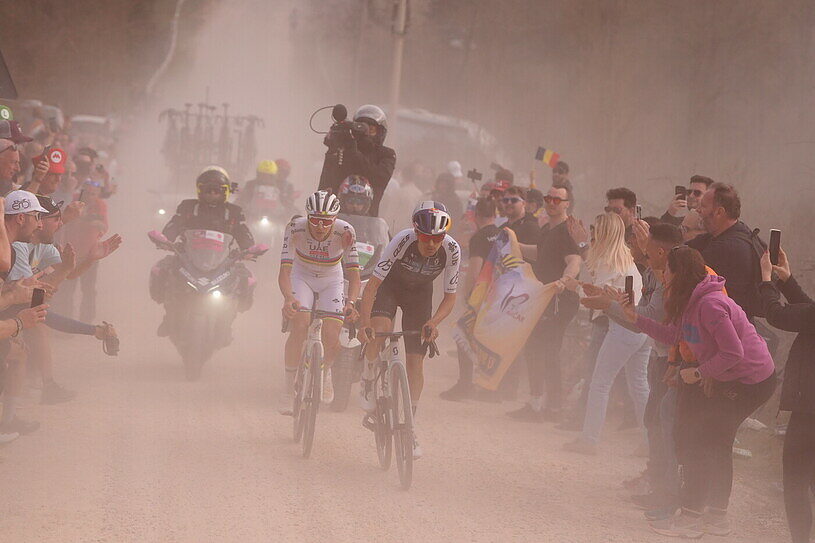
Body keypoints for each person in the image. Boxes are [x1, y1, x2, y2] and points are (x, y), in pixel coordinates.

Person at [623, 246, 775, 538]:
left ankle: (695, 518)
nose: (663, 275)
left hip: (751, 379)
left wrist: (700, 372)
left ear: (679, 272)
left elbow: (734, 352)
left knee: (707, 440)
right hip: (730, 375)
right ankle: (713, 517)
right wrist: (635, 319)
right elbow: (674, 335)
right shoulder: (690, 301)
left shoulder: (709, 304)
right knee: (711, 440)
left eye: (667, 269)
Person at [358, 201, 460, 458]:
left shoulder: (452, 249)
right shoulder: (402, 240)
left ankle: (409, 428)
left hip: (419, 295)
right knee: (379, 331)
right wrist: (364, 324)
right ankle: (368, 378)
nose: (432, 244)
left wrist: (433, 323)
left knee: (416, 363)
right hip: (390, 289)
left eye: (437, 238)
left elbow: (450, 297)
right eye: (426, 238)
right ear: (416, 232)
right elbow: (372, 286)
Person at [561, 212, 650, 454]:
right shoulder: (622, 258)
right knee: (639, 385)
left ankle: (589, 440)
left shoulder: (611, 262)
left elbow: (596, 298)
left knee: (600, 382)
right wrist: (581, 243)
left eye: (595, 231)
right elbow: (594, 270)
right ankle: (650, 442)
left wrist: (575, 287)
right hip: (640, 328)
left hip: (623, 329)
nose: (593, 235)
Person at [278, 191, 360, 411]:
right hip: (301, 275)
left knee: (333, 335)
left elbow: (354, 276)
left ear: (335, 219)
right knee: (300, 325)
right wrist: (288, 298)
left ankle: (326, 372)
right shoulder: (295, 228)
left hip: (331, 279)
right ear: (307, 216)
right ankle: (288, 389)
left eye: (326, 221)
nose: (320, 226)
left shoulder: (346, 231)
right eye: (314, 220)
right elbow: (284, 271)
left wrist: (351, 302)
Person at [506, 181, 581, 421]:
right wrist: (514, 245)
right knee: (538, 348)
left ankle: (550, 407)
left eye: (557, 200)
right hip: (544, 298)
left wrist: (564, 280)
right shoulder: (548, 228)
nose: (551, 203)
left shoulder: (568, 229)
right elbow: (540, 253)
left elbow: (574, 260)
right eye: (548, 199)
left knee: (547, 350)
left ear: (567, 204)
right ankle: (541, 404)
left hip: (559, 299)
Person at [152, 166, 255, 334]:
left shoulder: (234, 212)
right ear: (199, 190)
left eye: (217, 191)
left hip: (222, 263)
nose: (212, 194)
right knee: (160, 269)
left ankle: (228, 321)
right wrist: (165, 240)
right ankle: (169, 317)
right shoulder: (187, 207)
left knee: (247, 278)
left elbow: (244, 233)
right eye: (208, 190)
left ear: (226, 191)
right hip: (187, 259)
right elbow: (174, 225)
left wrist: (250, 249)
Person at [758, 248, 815, 543]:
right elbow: (808, 313)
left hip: (809, 413)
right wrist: (787, 280)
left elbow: (777, 315)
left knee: (795, 479)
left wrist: (766, 280)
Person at [440, 198, 499, 401]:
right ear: (495, 214)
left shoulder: (479, 238)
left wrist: (468, 298)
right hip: (500, 295)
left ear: (475, 215)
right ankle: (492, 389)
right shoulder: (503, 235)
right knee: (491, 342)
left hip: (481, 297)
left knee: (462, 336)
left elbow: (475, 271)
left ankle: (465, 385)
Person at [687, 182, 764, 319]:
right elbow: (681, 249)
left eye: (703, 206)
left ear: (719, 212)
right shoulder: (735, 231)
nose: (697, 210)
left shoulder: (727, 247)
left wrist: (685, 228)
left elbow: (681, 272)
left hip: (726, 326)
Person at [318, 105, 396, 217]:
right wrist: (334, 145)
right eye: (361, 128)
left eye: (371, 129)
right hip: (335, 217)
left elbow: (379, 177)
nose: (365, 133)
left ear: (380, 132)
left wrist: (353, 150)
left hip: (368, 221)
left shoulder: (386, 154)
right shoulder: (344, 148)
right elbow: (326, 183)